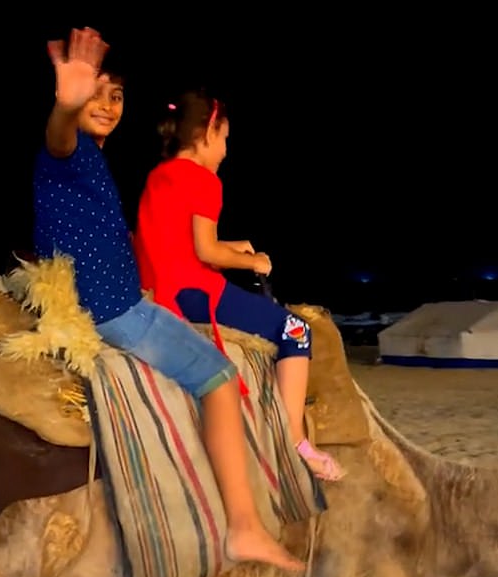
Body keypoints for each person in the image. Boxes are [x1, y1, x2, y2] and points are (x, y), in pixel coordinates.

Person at [34, 28, 305, 577]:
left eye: (114, 95)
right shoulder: (67, 152)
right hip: (118, 309)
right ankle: (246, 522)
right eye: (96, 94)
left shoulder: (105, 165)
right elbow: (61, 135)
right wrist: (67, 105)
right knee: (218, 377)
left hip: (121, 294)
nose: (106, 103)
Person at [133, 89, 344, 482]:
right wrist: (252, 261)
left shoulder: (159, 175)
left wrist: (236, 246)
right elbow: (206, 252)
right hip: (193, 293)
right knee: (296, 330)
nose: (226, 150)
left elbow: (175, 244)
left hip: (161, 290)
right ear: (208, 132)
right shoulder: (205, 180)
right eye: (225, 138)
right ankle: (296, 440)